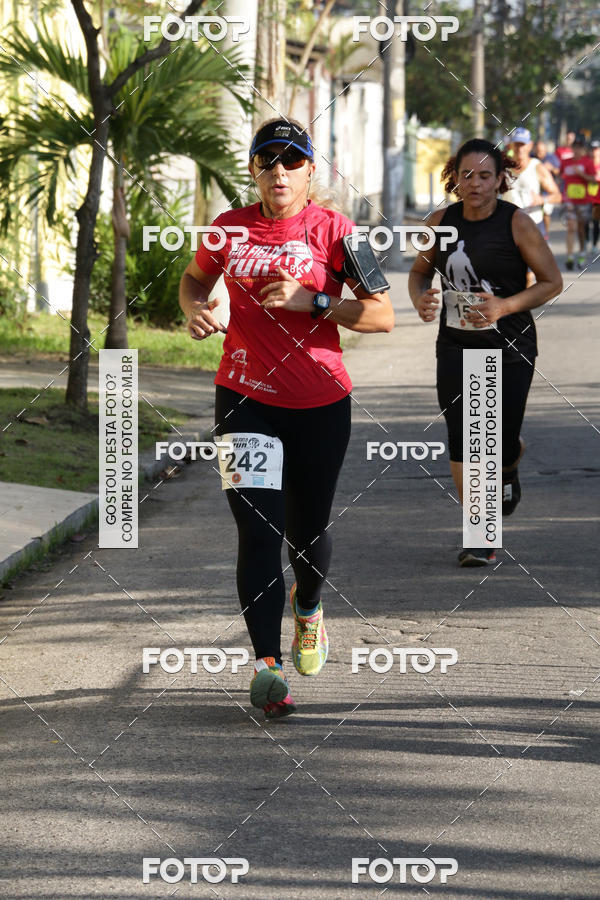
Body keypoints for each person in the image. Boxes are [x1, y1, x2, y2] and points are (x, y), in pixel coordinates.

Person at [179, 118, 393, 717]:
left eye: (291, 160)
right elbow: (194, 281)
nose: (279, 170)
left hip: (321, 404)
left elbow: (382, 317)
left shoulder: (338, 232)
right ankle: (267, 669)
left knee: (308, 535)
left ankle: (309, 606)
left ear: (309, 171)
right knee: (258, 533)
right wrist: (196, 311)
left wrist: (314, 301)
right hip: (243, 397)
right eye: (267, 159)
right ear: (254, 170)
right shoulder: (227, 230)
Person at [408, 138, 562, 567]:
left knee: (497, 440)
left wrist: (504, 306)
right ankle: (480, 532)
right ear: (454, 178)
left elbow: (551, 282)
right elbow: (420, 273)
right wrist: (421, 298)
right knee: (466, 438)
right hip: (456, 346)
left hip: (511, 348)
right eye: (467, 175)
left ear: (500, 180)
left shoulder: (517, 224)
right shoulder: (440, 222)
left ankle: (510, 461)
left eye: (485, 176)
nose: (475, 184)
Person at [504, 128, 561, 240]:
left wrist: (541, 200)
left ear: (530, 146)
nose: (520, 148)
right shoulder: (504, 169)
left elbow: (557, 196)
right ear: (511, 146)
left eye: (523, 145)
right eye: (516, 144)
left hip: (533, 225)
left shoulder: (537, 167)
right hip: (509, 226)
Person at [560, 138, 597, 269]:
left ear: (582, 149)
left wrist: (581, 173)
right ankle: (569, 257)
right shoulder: (565, 162)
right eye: (575, 147)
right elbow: (560, 176)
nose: (577, 150)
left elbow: (593, 179)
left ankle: (581, 252)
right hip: (569, 200)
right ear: (572, 148)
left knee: (581, 229)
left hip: (583, 201)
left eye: (579, 147)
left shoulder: (588, 162)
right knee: (570, 227)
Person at [532, 139, 561, 236]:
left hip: (548, 192)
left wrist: (552, 168)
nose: (539, 154)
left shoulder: (552, 158)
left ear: (545, 150)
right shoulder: (531, 158)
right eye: (538, 151)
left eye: (542, 151)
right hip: (535, 191)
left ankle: (545, 234)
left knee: (546, 213)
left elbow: (559, 172)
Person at [585, 141, 600, 254]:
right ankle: (586, 241)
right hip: (586, 197)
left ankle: (594, 244)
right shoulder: (586, 163)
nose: (594, 151)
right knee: (585, 221)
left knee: (596, 222)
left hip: (597, 199)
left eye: (596, 149)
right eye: (593, 149)